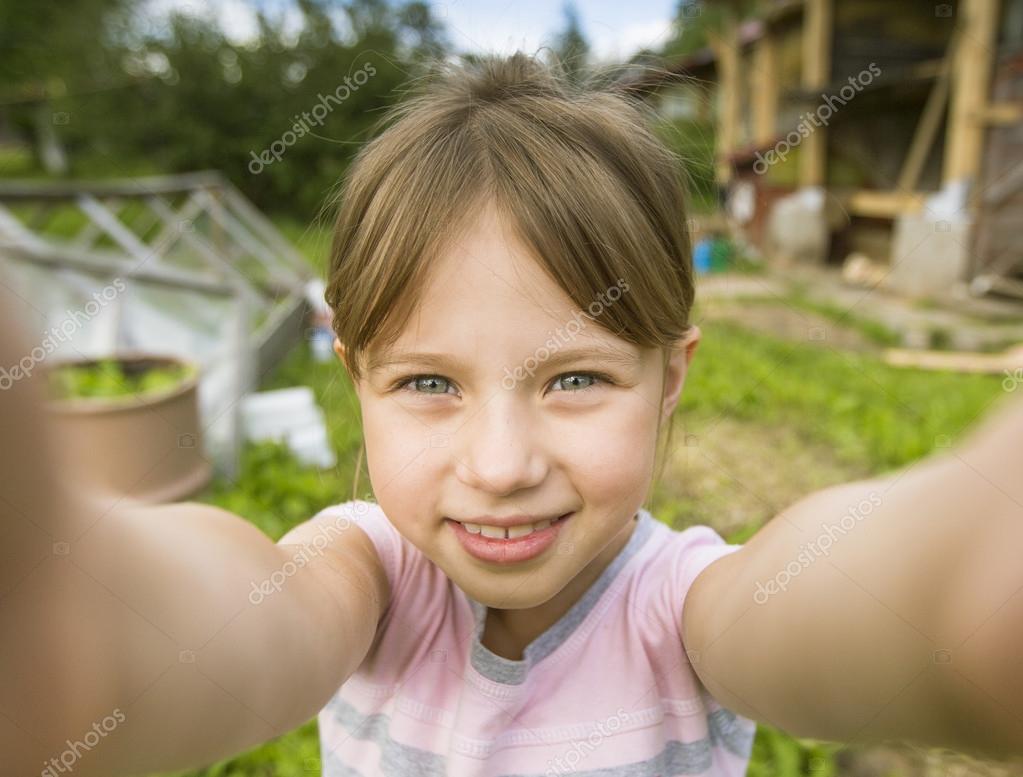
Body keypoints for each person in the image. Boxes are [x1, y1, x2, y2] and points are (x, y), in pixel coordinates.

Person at [3, 53, 1022, 777]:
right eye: (429, 385)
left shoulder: (686, 610)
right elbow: (245, 623)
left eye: (574, 380)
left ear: (671, 379)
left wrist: (958, 590)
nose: (499, 465)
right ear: (356, 381)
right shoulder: (364, 578)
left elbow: (817, 610)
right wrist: (75, 625)